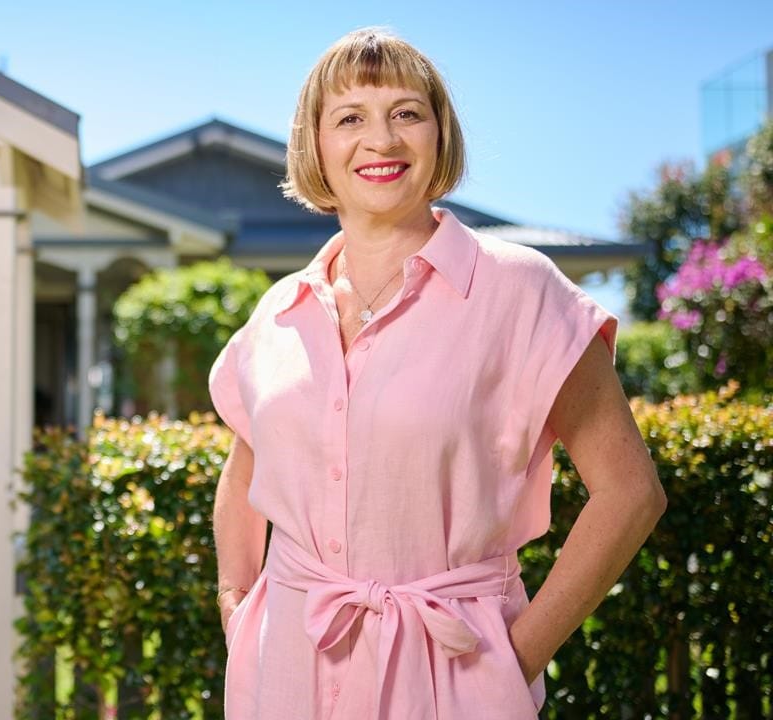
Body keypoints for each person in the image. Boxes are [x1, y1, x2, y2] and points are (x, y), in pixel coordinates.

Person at [209, 27, 667, 719]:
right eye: (351, 118)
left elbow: (631, 492)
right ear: (316, 146)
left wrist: (513, 661)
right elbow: (247, 471)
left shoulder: (520, 290)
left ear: (439, 133)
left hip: (453, 676)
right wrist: (236, 604)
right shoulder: (278, 311)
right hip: (282, 676)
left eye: (406, 113)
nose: (382, 140)